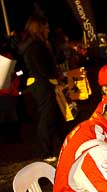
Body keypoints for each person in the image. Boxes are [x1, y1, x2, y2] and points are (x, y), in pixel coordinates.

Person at [18, 14, 62, 163]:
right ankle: (44, 152)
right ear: (40, 27)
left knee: (51, 116)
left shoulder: (33, 44)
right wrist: (56, 78)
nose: (48, 29)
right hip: (42, 84)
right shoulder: (35, 46)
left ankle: (56, 147)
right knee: (46, 117)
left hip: (41, 84)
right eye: (46, 26)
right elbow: (43, 68)